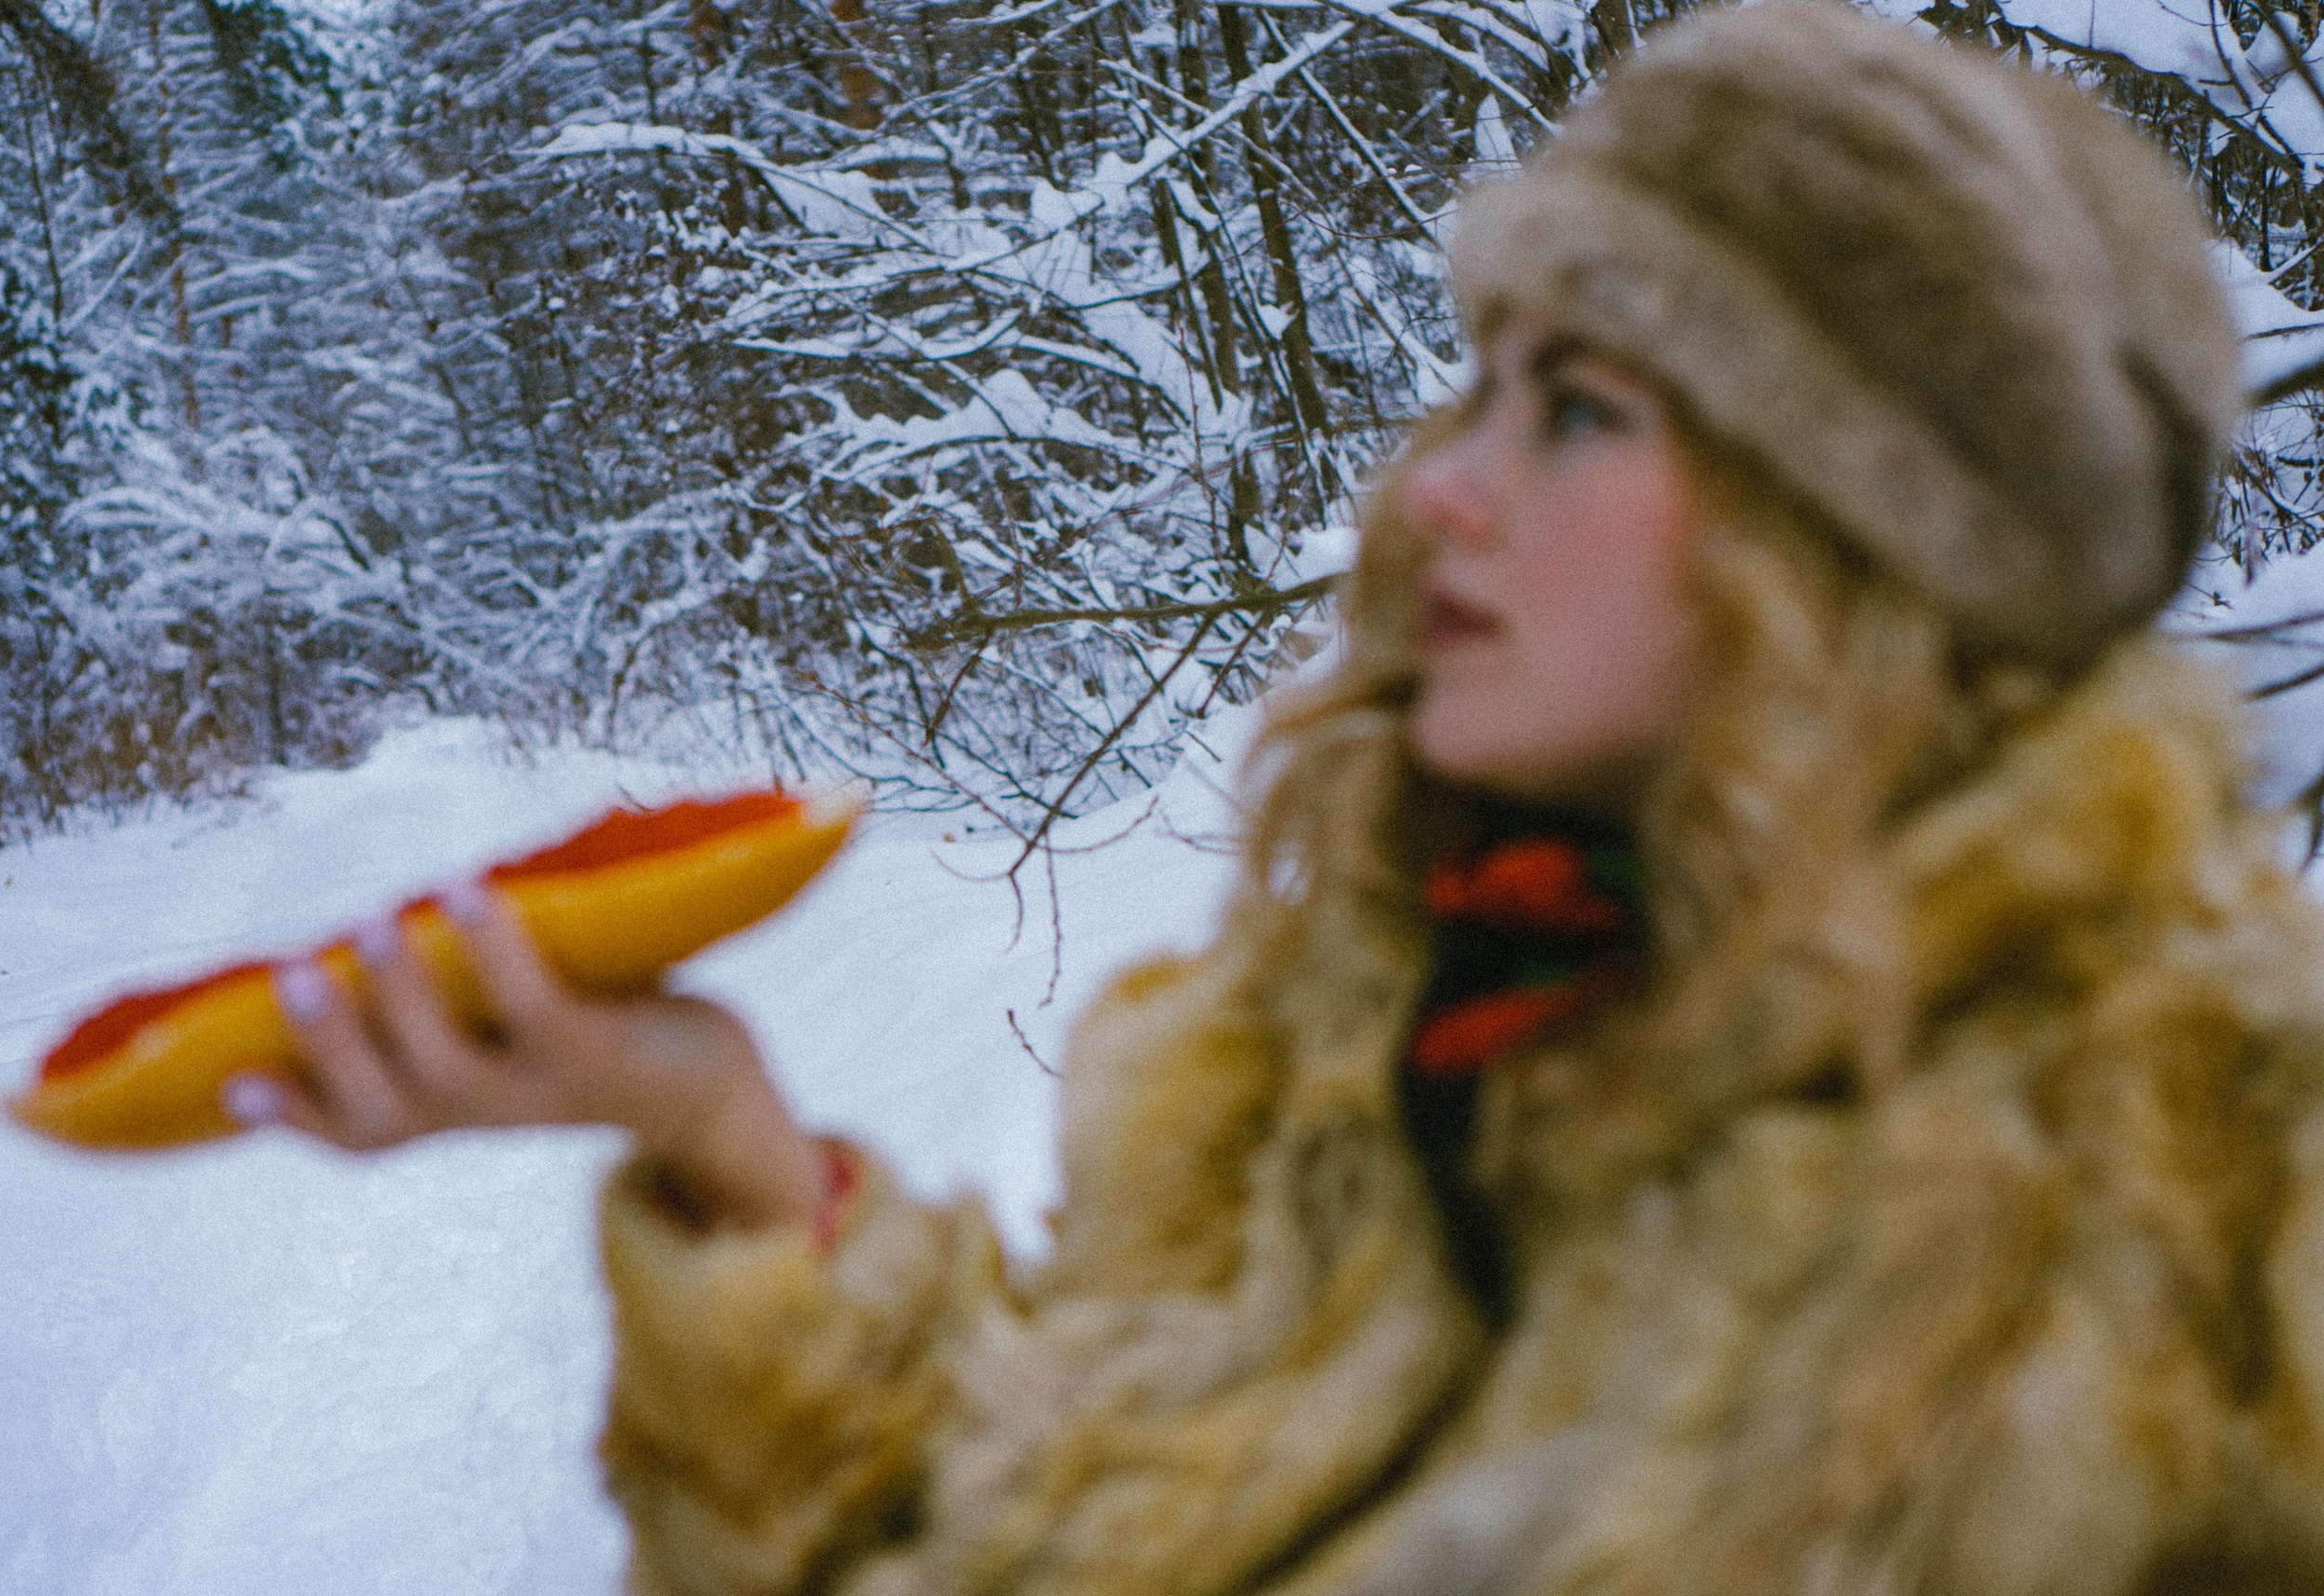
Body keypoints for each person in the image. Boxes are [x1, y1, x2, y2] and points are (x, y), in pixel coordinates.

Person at [233, 4, 2324, 1589]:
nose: (1438, 488)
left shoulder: (2208, 1208)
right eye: (1480, 378)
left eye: (1581, 408)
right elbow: (1037, 1530)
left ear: (1859, 537)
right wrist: (722, 1143)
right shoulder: (1383, 1038)